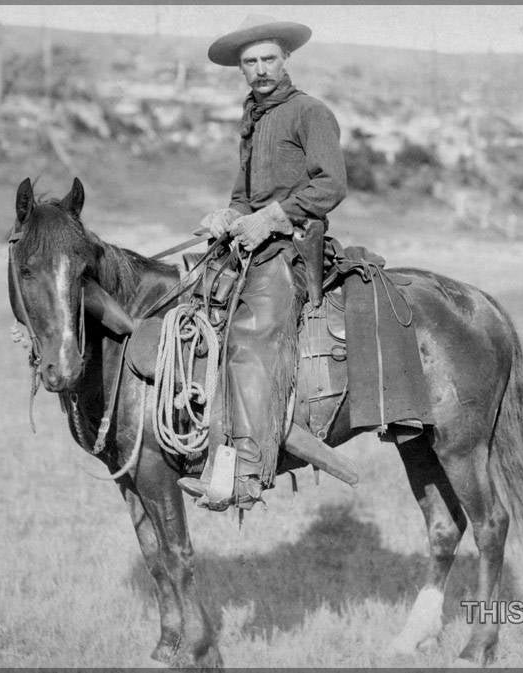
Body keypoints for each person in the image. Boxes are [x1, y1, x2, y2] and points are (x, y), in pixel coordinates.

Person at [178, 15, 347, 511]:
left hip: (293, 248)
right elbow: (242, 197)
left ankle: (248, 472)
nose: (259, 69)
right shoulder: (253, 118)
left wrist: (272, 217)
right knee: (193, 307)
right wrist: (226, 216)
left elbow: (330, 185)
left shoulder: (309, 113)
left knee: (252, 337)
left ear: (286, 59)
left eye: (268, 59)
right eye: (249, 63)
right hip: (255, 244)